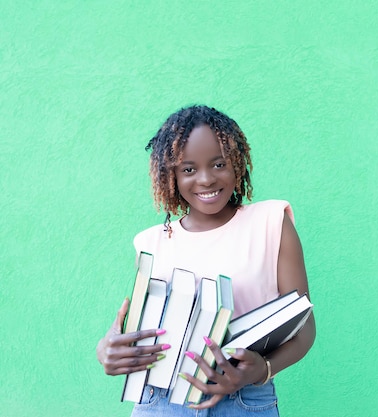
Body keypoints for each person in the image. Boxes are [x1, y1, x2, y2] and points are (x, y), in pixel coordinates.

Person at [96, 105, 316, 416]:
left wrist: (261, 369)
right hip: (160, 401)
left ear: (236, 164)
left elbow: (304, 329)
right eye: (188, 169)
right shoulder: (151, 242)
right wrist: (106, 347)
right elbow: (134, 326)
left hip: (243, 401)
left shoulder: (271, 223)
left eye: (218, 164)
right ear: (170, 175)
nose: (206, 179)